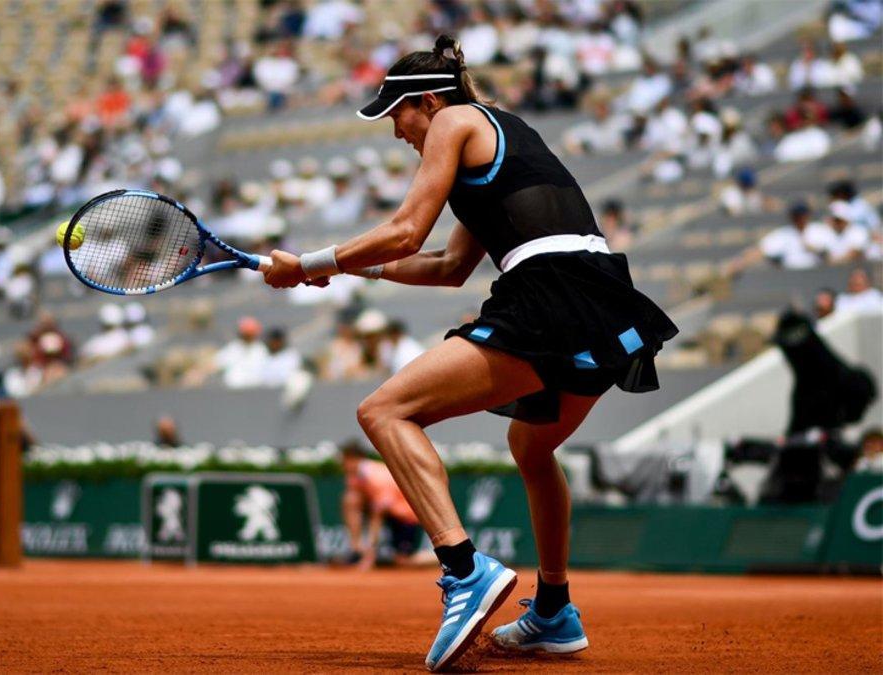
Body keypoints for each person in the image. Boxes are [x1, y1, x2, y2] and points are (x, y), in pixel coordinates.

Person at [261, 35, 677, 669]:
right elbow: (450, 266)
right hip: (606, 300)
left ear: (426, 101)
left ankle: (464, 571)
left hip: (550, 295)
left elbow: (405, 230)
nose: (397, 134)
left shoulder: (454, 120)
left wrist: (312, 262)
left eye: (396, 117)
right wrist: (348, 272)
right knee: (532, 448)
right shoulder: (501, 135)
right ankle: (554, 611)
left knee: (384, 412)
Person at [340, 440, 434, 570]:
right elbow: (356, 503)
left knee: (403, 562)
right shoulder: (355, 476)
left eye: (344, 461)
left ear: (353, 459)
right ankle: (355, 548)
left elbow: (378, 515)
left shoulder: (377, 477)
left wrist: (369, 556)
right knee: (351, 499)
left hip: (406, 516)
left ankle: (442, 558)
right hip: (389, 513)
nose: (342, 466)